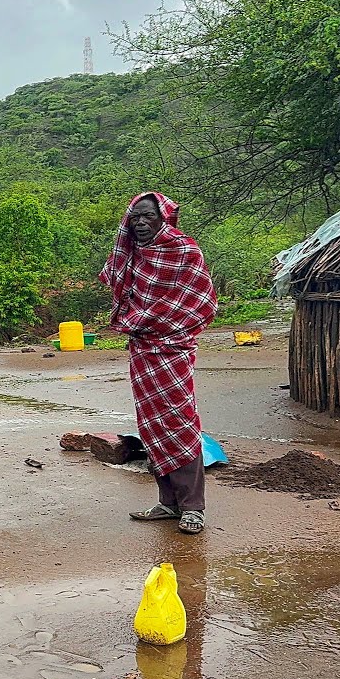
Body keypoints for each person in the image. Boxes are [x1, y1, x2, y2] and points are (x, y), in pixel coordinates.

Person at [100, 193, 217, 535]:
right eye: (134, 216)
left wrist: (164, 324)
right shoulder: (131, 256)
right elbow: (123, 292)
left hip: (173, 348)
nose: (140, 222)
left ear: (164, 217)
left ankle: (193, 507)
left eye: (147, 215)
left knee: (180, 422)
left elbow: (203, 304)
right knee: (151, 424)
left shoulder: (185, 251)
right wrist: (142, 321)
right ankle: (168, 503)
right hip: (142, 347)